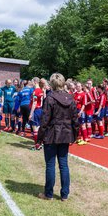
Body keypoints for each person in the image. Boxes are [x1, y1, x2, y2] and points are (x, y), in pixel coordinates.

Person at [37, 73, 79, 201]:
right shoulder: (70, 98)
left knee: (51, 165)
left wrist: (39, 138)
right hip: (65, 134)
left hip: (52, 134)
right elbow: (75, 120)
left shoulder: (50, 98)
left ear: (52, 84)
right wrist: (74, 136)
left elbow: (44, 120)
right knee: (63, 165)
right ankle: (64, 194)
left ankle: (49, 194)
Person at [29, 77, 46, 150]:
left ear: (35, 82)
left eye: (32, 82)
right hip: (40, 110)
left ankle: (37, 145)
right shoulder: (41, 90)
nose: (31, 84)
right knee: (39, 128)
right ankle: (40, 143)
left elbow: (34, 103)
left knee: (34, 128)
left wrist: (31, 113)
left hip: (36, 110)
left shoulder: (35, 91)